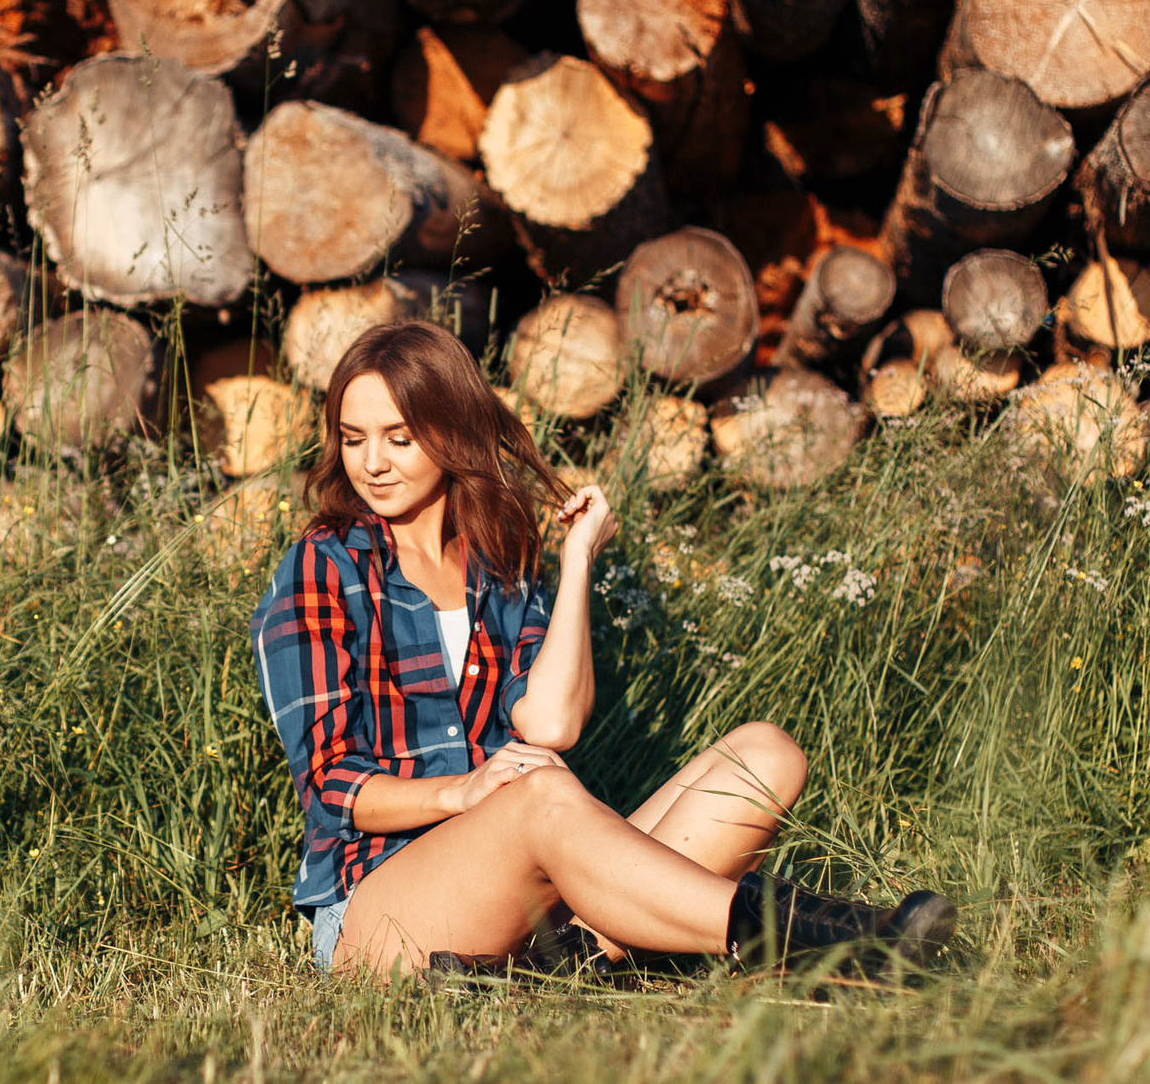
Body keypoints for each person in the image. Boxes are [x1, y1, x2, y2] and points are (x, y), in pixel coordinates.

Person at [252, 320, 956, 978]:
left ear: (452, 431)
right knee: (539, 794)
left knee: (766, 755)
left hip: (526, 876)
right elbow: (330, 782)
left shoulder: (495, 560)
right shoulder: (325, 564)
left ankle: (556, 962)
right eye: (353, 439)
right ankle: (837, 940)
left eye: (399, 438)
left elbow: (552, 724)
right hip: (378, 906)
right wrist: (462, 791)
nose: (372, 463)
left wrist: (578, 558)